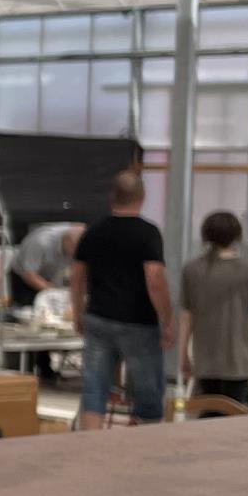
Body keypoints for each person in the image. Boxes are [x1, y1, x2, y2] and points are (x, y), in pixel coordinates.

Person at [70, 169, 173, 427]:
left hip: (99, 318)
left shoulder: (93, 231)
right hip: (138, 322)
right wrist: (167, 319)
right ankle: (146, 449)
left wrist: (78, 313)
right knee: (148, 392)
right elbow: (155, 281)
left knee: (94, 387)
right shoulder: (148, 233)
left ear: (112, 196)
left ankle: (88, 445)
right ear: (143, 196)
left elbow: (77, 276)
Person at [180, 209, 248, 408]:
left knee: (207, 414)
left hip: (205, 358)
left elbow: (186, 316)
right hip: (239, 359)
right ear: (237, 236)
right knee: (235, 415)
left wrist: (183, 354)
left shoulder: (192, 269)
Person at [9, 218, 83, 310]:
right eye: (75, 251)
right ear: (68, 242)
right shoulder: (41, 242)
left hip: (50, 274)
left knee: (56, 308)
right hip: (24, 278)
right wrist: (55, 293)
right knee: (28, 309)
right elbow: (29, 275)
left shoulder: (79, 237)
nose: (76, 255)